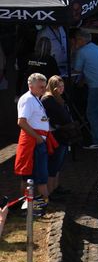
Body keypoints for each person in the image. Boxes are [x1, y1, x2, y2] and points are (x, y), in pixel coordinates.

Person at [15, 74, 51, 216]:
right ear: (31, 86)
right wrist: (38, 138)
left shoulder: (35, 98)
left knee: (38, 174)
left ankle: (41, 203)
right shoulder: (28, 99)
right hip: (33, 142)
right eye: (40, 87)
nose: (43, 89)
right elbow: (21, 121)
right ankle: (29, 206)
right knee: (30, 175)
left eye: (44, 86)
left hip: (37, 141)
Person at [40, 76, 74, 200]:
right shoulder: (48, 100)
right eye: (58, 87)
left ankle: (56, 187)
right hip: (56, 135)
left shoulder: (57, 98)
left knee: (58, 163)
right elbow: (50, 118)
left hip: (62, 134)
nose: (61, 89)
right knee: (54, 164)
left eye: (62, 86)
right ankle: (51, 191)